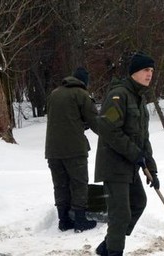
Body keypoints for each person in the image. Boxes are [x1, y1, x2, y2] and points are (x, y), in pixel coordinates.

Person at [94, 52, 159, 256]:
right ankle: (114, 250)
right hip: (114, 165)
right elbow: (107, 127)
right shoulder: (119, 95)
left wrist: (152, 169)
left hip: (129, 166)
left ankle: (108, 245)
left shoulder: (139, 99)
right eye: (145, 70)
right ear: (134, 73)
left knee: (139, 203)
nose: (150, 74)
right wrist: (134, 154)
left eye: (151, 71)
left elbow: (143, 139)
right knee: (120, 214)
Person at [45, 67, 99, 232]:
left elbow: (61, 118)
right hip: (74, 149)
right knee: (79, 183)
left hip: (53, 150)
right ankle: (80, 221)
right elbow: (95, 121)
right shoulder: (82, 95)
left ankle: (63, 220)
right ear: (84, 82)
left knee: (60, 185)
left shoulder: (54, 94)